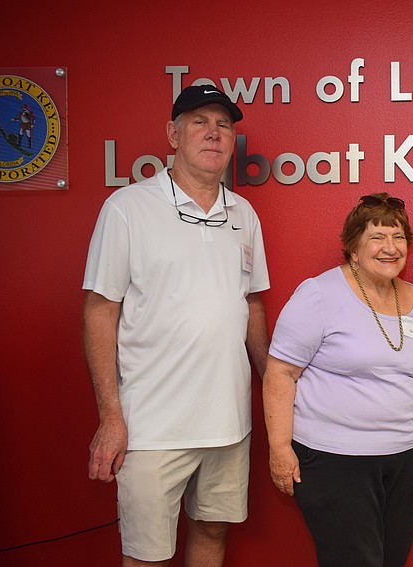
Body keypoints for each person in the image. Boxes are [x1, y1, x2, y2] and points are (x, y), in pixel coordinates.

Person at [83, 84, 270, 566]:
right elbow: (100, 312)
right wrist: (110, 417)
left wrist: (273, 383)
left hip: (229, 424)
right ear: (173, 134)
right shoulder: (128, 208)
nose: (214, 133)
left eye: (224, 125)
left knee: (212, 531)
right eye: (199, 122)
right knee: (147, 555)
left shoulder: (243, 214)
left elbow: (250, 304)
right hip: (151, 426)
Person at [263, 193, 413, 567]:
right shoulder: (319, 294)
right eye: (377, 237)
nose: (390, 247)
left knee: (392, 559)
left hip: (401, 457)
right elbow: (280, 372)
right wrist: (279, 449)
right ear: (353, 247)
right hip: (335, 459)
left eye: (399, 237)